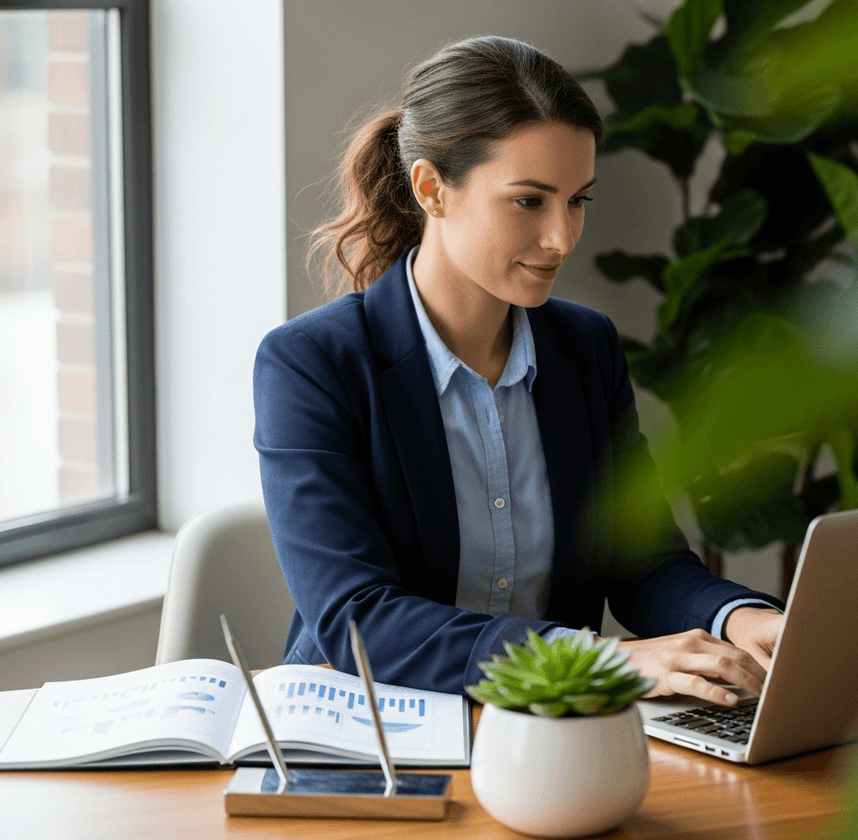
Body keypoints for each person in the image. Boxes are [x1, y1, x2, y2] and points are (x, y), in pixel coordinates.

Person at [253, 36, 783, 707]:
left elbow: (643, 562)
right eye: (529, 201)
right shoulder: (311, 364)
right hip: (373, 727)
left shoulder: (585, 347)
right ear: (431, 189)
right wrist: (598, 658)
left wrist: (741, 619)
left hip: (546, 734)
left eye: (578, 200)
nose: (562, 238)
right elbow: (358, 621)